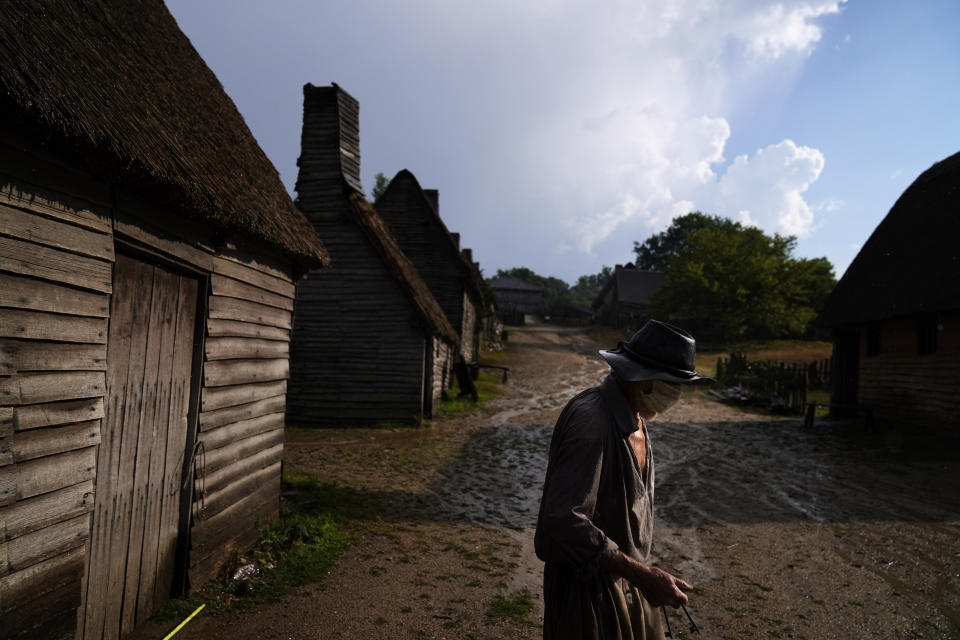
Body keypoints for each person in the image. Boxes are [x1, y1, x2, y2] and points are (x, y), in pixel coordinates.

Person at [534, 319, 714, 639]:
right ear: (639, 378)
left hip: (627, 581)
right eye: (670, 384)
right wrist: (643, 575)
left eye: (679, 385)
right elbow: (563, 520)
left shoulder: (636, 416)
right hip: (585, 593)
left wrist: (643, 576)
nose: (675, 394)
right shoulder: (592, 424)